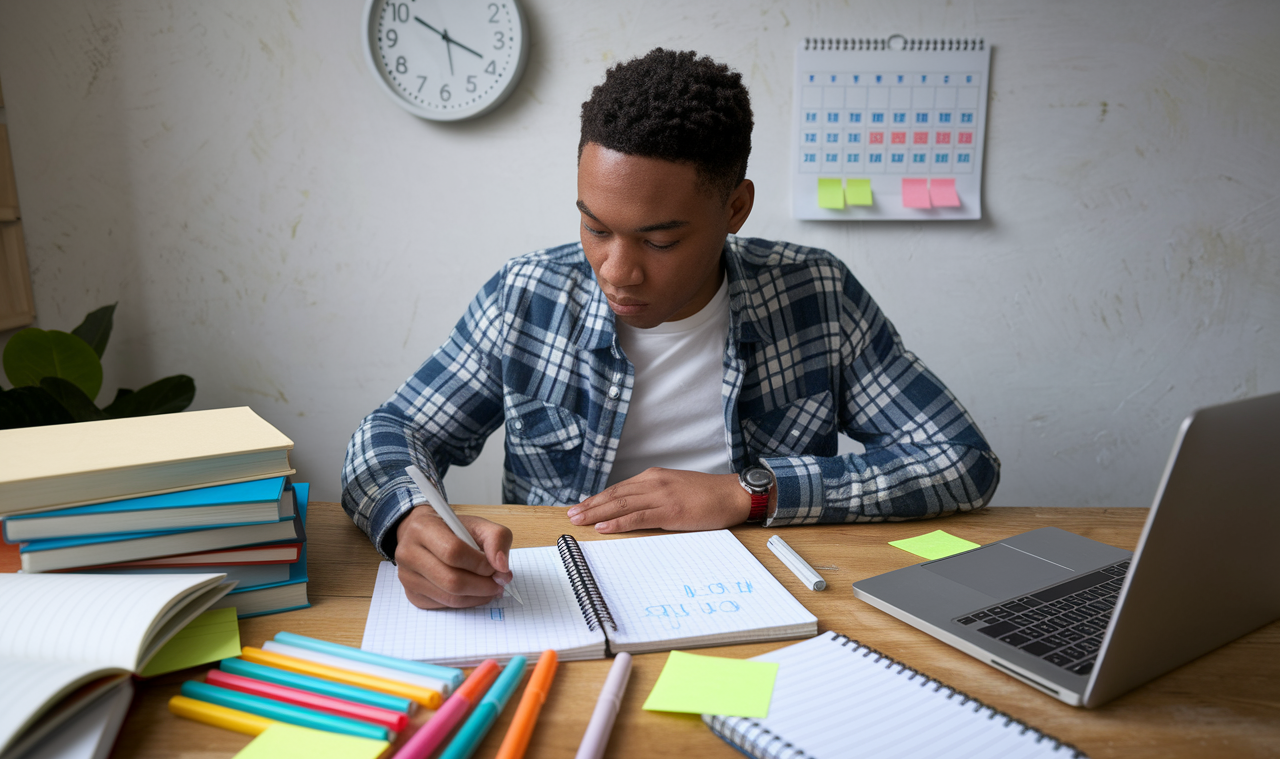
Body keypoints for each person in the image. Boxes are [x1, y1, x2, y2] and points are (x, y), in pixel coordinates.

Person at [342, 49, 1000, 610]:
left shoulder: (815, 294)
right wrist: (409, 519)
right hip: (563, 607)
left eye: (658, 241)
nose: (616, 271)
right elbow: (394, 434)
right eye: (596, 228)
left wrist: (747, 496)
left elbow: (961, 461)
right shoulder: (528, 296)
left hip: (767, 597)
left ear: (734, 207)